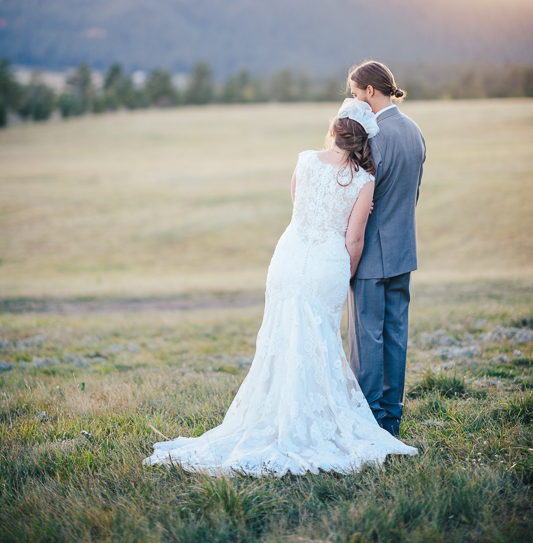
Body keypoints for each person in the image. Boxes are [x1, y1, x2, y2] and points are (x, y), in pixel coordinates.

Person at [144, 100, 417, 476]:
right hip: (325, 264)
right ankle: (311, 420)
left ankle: (275, 417)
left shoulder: (304, 160)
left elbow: (300, 208)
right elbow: (354, 240)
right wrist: (347, 272)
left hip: (288, 258)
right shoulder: (363, 180)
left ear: (335, 129)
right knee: (319, 341)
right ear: (364, 139)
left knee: (280, 340)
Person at [347, 61, 426, 437]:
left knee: (366, 338)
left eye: (355, 91)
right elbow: (414, 194)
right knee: (396, 333)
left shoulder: (371, 136)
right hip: (403, 250)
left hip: (369, 256)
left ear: (370, 91)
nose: (353, 98)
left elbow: (357, 200)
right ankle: (391, 418)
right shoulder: (415, 131)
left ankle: (368, 421)